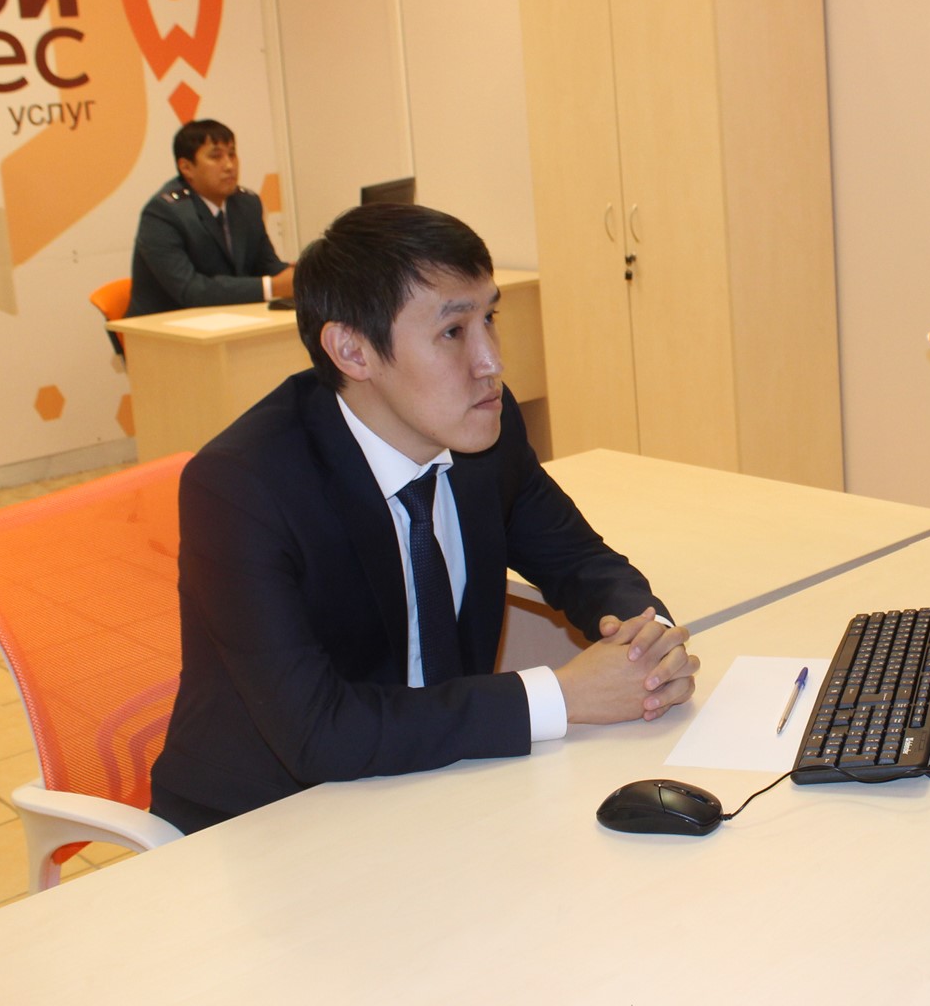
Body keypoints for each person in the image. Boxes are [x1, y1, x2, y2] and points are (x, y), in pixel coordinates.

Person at [149, 204, 698, 833]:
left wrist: (648, 644)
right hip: (270, 820)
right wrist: (565, 695)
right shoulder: (242, 486)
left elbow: (579, 560)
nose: (491, 362)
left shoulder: (482, 432)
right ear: (352, 350)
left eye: (489, 318)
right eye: (453, 331)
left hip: (440, 783)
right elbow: (317, 732)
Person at [125, 119, 294, 316]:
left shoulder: (247, 203)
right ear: (186, 167)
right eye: (216, 157)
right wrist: (271, 287)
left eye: (232, 154)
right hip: (164, 326)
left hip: (228, 320)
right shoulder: (162, 213)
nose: (229, 165)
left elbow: (267, 265)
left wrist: (300, 276)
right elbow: (190, 290)